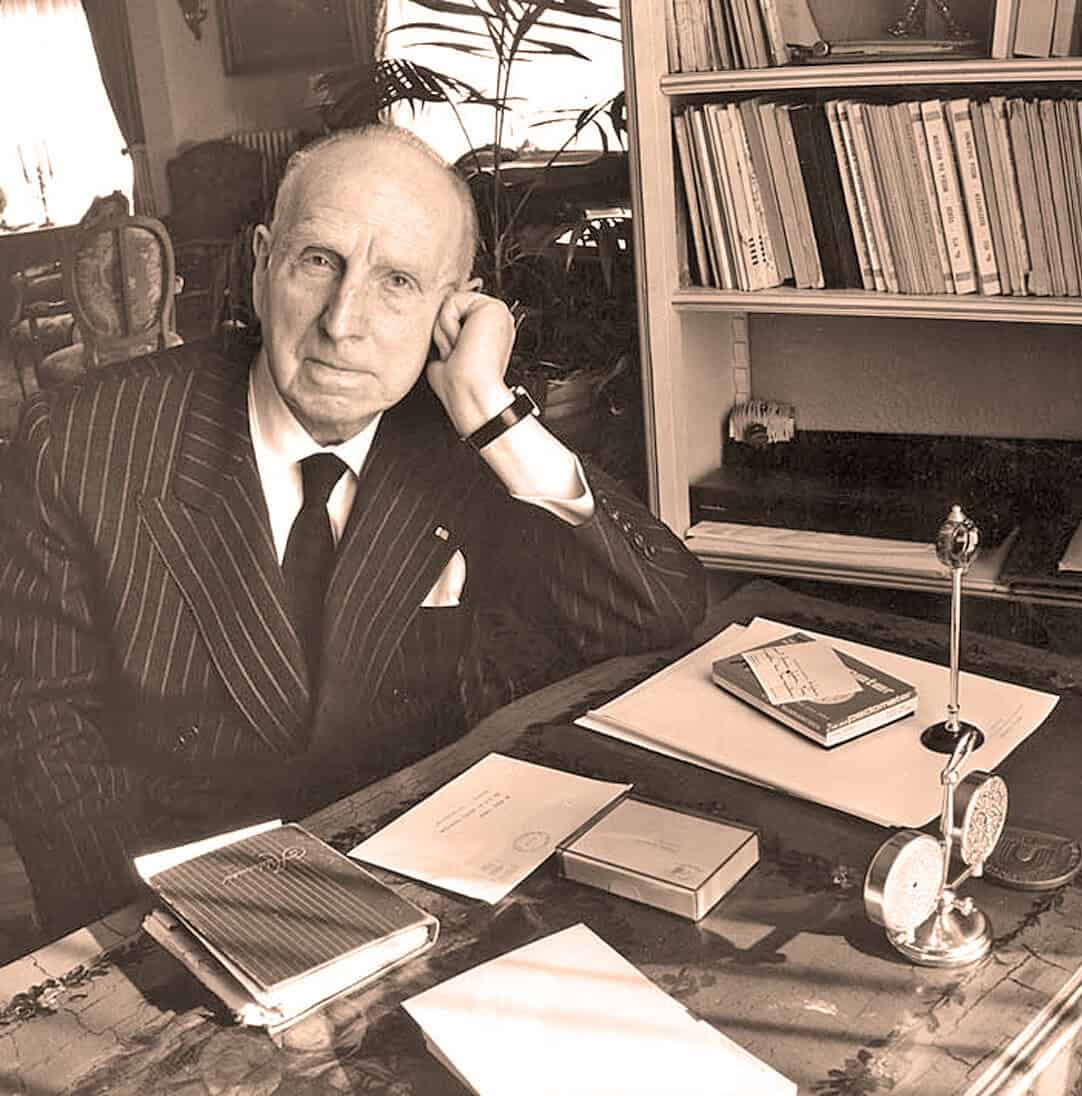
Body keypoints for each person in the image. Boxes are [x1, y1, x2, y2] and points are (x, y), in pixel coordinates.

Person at [0, 125, 707, 941]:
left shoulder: (462, 441)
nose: (344, 322)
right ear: (264, 265)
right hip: (180, 910)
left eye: (398, 281)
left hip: (424, 888)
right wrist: (146, 940)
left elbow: (659, 612)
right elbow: (40, 726)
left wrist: (488, 406)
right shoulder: (84, 441)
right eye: (317, 261)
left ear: (455, 309)